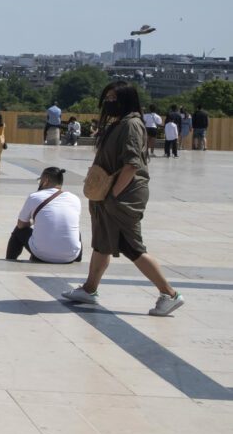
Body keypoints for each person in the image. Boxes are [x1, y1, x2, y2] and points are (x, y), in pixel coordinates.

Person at [62, 81, 184, 316]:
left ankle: (169, 294)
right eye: (106, 98)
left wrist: (114, 195)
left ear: (125, 100)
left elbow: (131, 164)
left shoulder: (131, 125)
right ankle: (89, 289)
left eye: (112, 98)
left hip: (122, 195)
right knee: (102, 243)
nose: (108, 103)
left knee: (131, 246)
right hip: (109, 194)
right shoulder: (120, 123)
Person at [7, 167, 82, 264]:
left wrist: (32, 223)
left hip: (42, 255)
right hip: (70, 256)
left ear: (45, 181)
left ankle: (9, 260)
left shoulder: (34, 196)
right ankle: (77, 259)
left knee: (18, 230)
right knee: (75, 230)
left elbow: (21, 225)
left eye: (40, 180)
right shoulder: (75, 198)